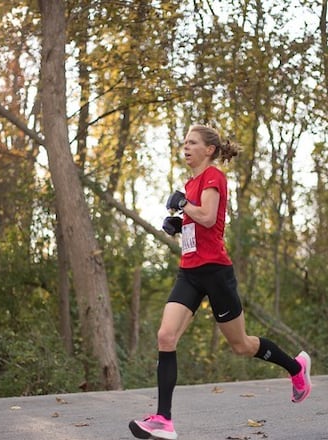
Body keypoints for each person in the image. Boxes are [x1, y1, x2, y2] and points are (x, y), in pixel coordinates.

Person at [129, 124, 312, 440]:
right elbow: (198, 226)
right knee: (166, 336)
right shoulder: (191, 183)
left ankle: (296, 369)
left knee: (241, 346)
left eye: (192, 142)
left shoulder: (214, 177)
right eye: (184, 142)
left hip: (215, 272)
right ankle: (163, 420)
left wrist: (184, 206)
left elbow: (210, 217)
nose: (185, 147)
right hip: (189, 272)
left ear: (209, 149)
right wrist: (178, 224)